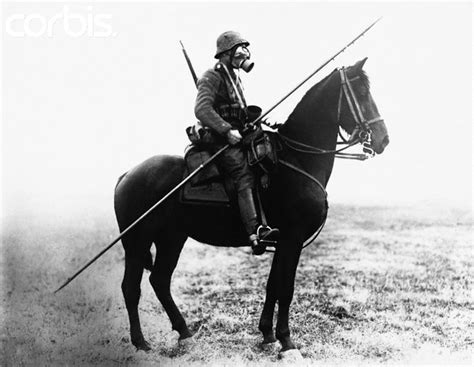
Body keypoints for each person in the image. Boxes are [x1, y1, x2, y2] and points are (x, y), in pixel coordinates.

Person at [194, 31, 279, 255]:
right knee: (243, 172)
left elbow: (238, 110)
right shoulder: (212, 76)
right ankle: (255, 232)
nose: (243, 54)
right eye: (238, 49)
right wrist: (226, 130)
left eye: (244, 49)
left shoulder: (234, 76)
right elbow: (202, 109)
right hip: (218, 140)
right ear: (226, 53)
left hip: (237, 134)